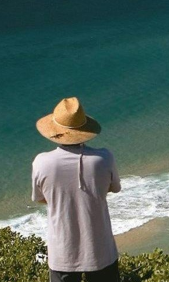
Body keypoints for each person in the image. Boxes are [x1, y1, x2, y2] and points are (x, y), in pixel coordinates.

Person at [31, 98, 121, 282]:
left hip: (62, 252)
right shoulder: (104, 158)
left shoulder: (42, 162)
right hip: (101, 249)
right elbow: (114, 188)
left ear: (56, 131)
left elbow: (40, 198)